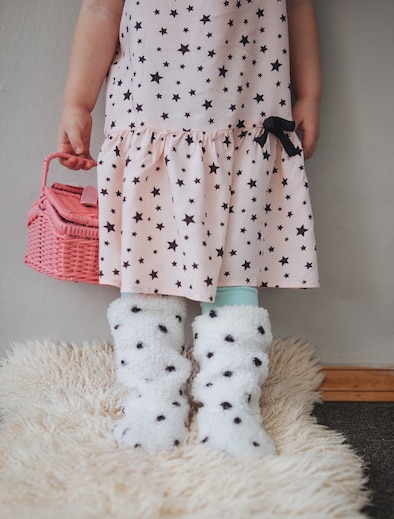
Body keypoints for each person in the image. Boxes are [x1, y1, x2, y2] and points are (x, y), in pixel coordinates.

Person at [58, 0, 322, 457]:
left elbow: (298, 6)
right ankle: (153, 401)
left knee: (236, 272)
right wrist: (77, 102)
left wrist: (310, 95)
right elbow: (101, 10)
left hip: (248, 117)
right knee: (148, 262)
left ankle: (231, 407)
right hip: (151, 115)